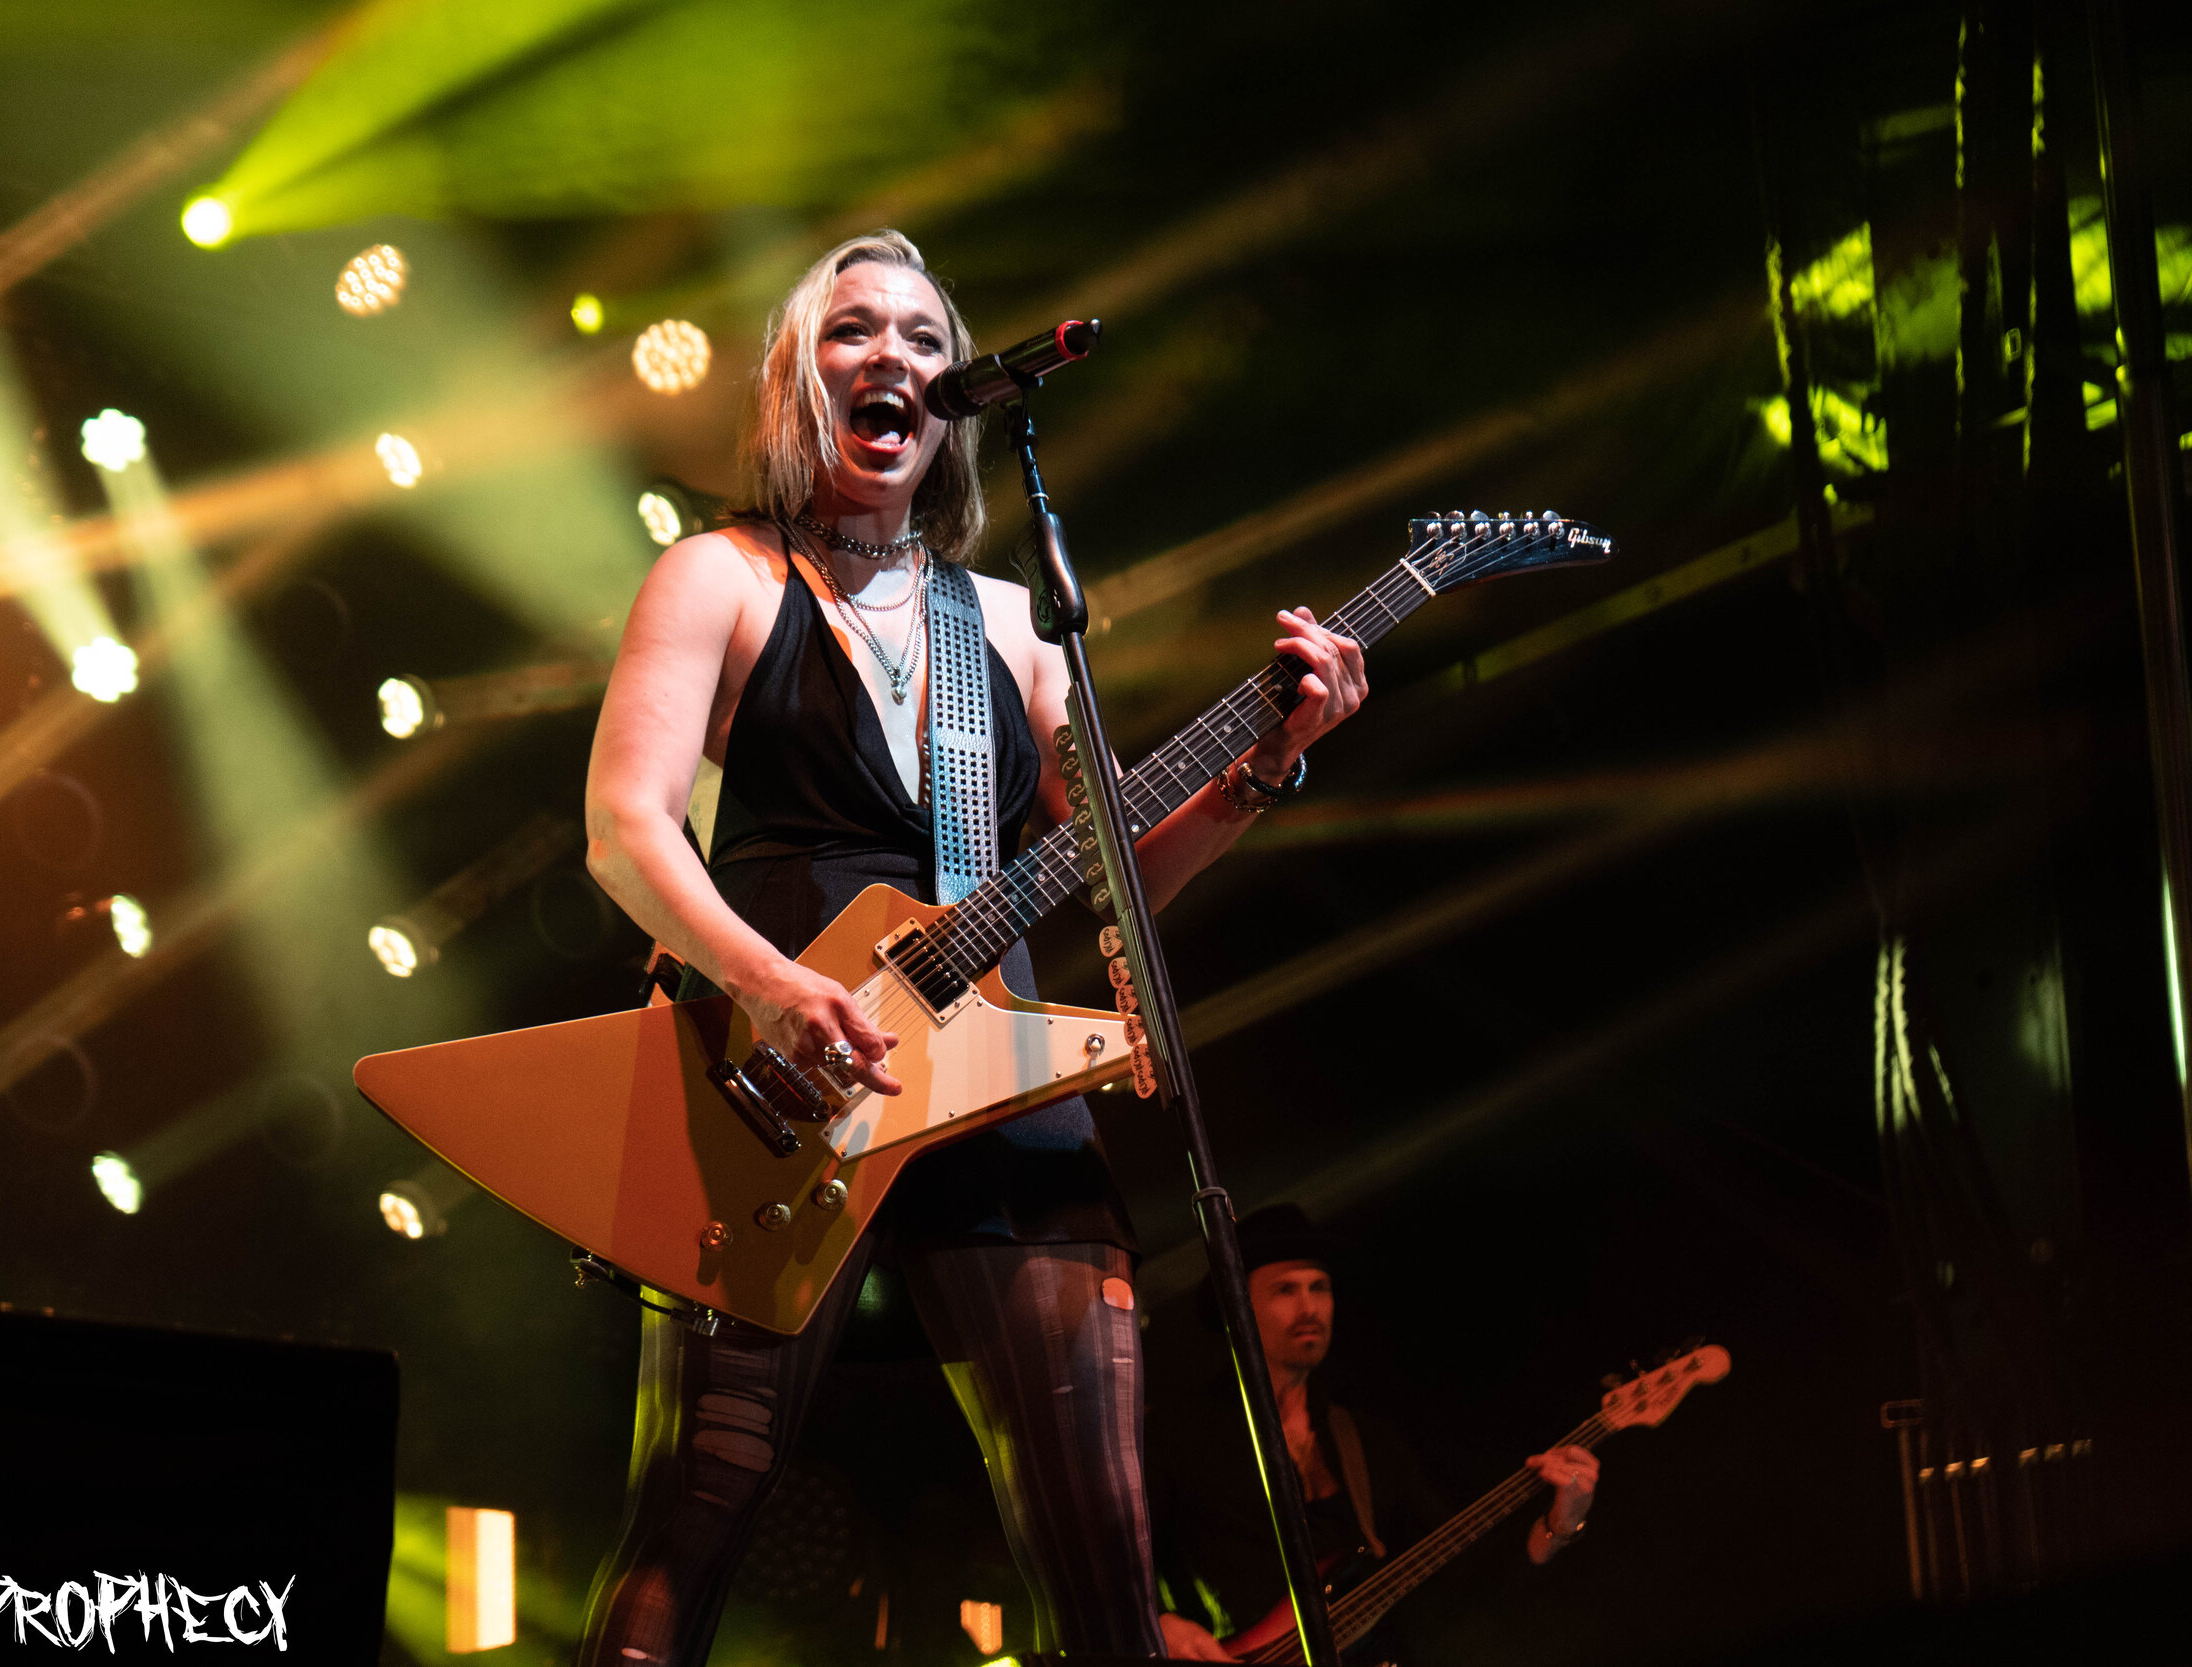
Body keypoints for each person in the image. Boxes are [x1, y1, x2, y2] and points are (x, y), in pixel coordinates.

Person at [577, 229, 1371, 1665]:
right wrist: (770, 984)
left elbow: (1121, 881)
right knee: (697, 1505)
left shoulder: (1008, 621)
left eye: (927, 340)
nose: (895, 358)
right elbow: (627, 829)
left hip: (996, 1066)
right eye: (854, 331)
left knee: (1104, 1551)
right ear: (796, 378)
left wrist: (1262, 767)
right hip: (779, 1073)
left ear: (952, 399)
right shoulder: (719, 576)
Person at [1153, 1205, 1600, 1665]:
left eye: (1320, 1288)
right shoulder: (1174, 1434)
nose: (1309, 1307)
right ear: (1237, 1310)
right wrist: (1159, 1624)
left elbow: (1467, 1579)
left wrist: (1560, 1524)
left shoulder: (1366, 1441)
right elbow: (1106, 1565)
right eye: (1285, 1290)